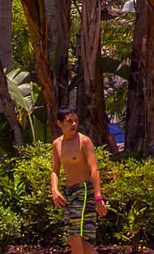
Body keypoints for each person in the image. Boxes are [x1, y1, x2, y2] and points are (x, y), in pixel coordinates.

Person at [50, 109, 107, 254]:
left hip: (84, 191)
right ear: (59, 123)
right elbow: (55, 171)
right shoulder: (57, 144)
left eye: (75, 120)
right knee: (73, 239)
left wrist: (98, 197)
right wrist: (55, 190)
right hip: (69, 193)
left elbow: (94, 170)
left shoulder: (84, 141)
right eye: (69, 121)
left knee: (75, 237)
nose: (74, 124)